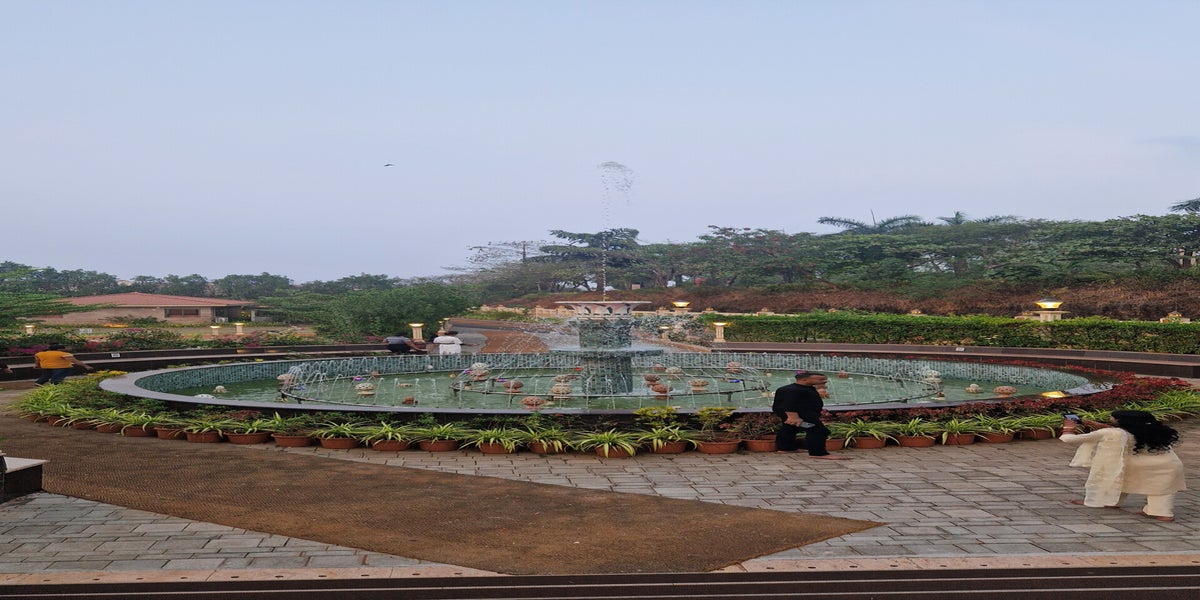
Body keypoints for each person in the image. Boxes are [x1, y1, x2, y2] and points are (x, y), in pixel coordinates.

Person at [1059, 410, 1186, 521]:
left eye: (1113, 418)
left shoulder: (1112, 433)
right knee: (1161, 489)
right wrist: (1100, 426)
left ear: (1121, 421)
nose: (1110, 419)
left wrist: (1068, 428)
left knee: (1116, 478)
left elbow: (1068, 439)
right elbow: (1127, 433)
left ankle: (1108, 500)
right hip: (1169, 464)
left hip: (1134, 464)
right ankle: (1162, 513)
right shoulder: (1154, 429)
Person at [772, 370, 846, 459]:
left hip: (800, 416)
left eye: (825, 379)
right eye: (820, 379)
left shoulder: (800, 388)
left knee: (790, 428)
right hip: (801, 416)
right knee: (818, 430)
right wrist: (793, 417)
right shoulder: (793, 390)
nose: (824, 381)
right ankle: (818, 453)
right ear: (804, 379)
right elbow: (788, 404)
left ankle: (786, 448)